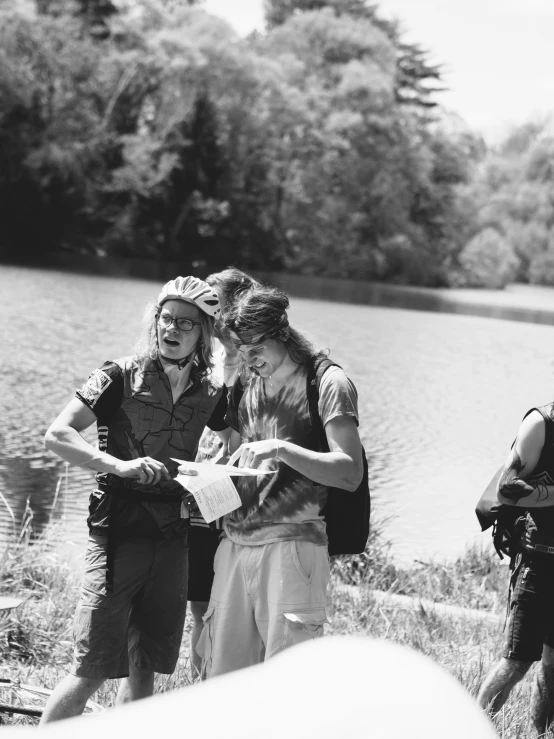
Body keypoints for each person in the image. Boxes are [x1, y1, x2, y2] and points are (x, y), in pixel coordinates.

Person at [40, 276, 227, 723]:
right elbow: (57, 434)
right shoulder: (117, 375)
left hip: (173, 541)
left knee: (146, 670)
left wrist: (214, 481)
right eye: (166, 318)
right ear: (154, 320)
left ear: (203, 332)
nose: (173, 329)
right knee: (91, 669)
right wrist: (116, 464)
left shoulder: (215, 391)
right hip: (116, 535)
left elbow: (227, 448)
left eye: (186, 323)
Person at [191, 284, 364, 678]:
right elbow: (237, 460)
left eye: (255, 349)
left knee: (286, 684)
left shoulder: (328, 383)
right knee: (221, 682)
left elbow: (349, 473)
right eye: (241, 351)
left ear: (281, 333)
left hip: (292, 550)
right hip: (233, 547)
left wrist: (282, 449)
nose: (248, 360)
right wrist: (205, 486)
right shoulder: (245, 384)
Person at [187, 267, 260, 679]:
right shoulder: (207, 354)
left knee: (223, 600)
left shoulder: (253, 360)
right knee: (198, 602)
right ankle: (197, 683)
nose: (206, 310)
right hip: (200, 487)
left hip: (233, 492)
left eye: (213, 301)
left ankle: (219, 683)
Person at [477, 404, 554, 737]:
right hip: (538, 562)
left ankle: (540, 734)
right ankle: (473, 729)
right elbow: (505, 489)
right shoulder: (540, 425)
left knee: (553, 665)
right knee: (517, 662)